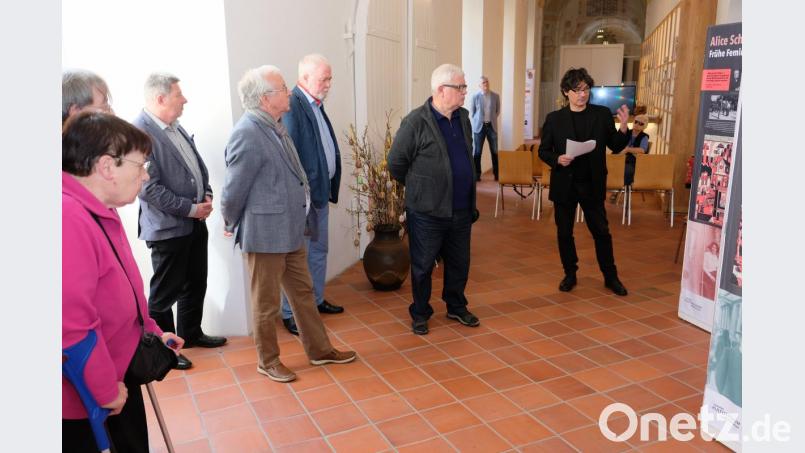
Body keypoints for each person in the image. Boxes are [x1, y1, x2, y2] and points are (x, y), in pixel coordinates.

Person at [221, 65, 356, 382]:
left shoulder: (274, 125)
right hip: (265, 234)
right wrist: (231, 222)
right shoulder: (248, 133)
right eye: (283, 87)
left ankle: (320, 350)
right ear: (266, 98)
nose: (289, 92)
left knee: (303, 293)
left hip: (291, 230)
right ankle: (267, 361)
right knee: (266, 304)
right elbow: (232, 191)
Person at [63, 112, 184, 452]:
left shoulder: (102, 208)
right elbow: (70, 326)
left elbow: (124, 286)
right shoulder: (67, 217)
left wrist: (151, 330)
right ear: (106, 167)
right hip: (90, 394)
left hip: (117, 372)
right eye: (140, 165)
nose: (145, 177)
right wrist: (105, 390)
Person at [134, 73, 226, 371]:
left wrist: (207, 193)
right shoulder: (140, 132)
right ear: (160, 99)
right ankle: (168, 352)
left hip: (194, 222)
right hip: (168, 229)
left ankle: (192, 334)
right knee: (164, 296)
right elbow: (149, 189)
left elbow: (195, 166)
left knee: (195, 281)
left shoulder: (173, 125)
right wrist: (190, 208)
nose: (184, 99)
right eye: (178, 94)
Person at [388, 63, 479, 335]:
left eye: (464, 86)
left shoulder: (462, 117)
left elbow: (466, 153)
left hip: (461, 208)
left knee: (459, 262)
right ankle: (420, 312)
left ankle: (456, 306)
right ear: (441, 90)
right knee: (423, 266)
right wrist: (420, 188)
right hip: (427, 211)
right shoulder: (415, 122)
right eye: (460, 87)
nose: (465, 92)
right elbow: (396, 164)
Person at [538, 67, 630, 296]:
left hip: (592, 183)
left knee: (601, 232)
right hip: (565, 183)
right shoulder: (554, 119)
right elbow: (543, 151)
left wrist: (624, 126)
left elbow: (616, 146)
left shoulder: (600, 114)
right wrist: (557, 158)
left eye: (586, 89)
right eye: (578, 90)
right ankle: (570, 273)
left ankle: (611, 277)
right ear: (566, 92)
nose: (583, 94)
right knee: (564, 233)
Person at [278, 54, 345, 336]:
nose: (328, 83)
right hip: (303, 200)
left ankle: (315, 301)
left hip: (319, 194)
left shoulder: (315, 104)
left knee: (318, 252)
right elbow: (291, 157)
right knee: (297, 259)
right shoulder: (293, 105)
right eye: (324, 78)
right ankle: (290, 312)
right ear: (304, 78)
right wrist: (301, 196)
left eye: (330, 78)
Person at [610, 113, 650, 198]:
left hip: (632, 161)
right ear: (633, 122)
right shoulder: (626, 132)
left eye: (641, 124)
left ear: (644, 127)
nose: (637, 124)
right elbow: (617, 144)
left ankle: (620, 190)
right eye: (636, 122)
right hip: (618, 158)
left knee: (627, 170)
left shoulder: (644, 137)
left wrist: (628, 149)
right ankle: (615, 187)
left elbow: (642, 150)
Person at [469, 76, 500, 181]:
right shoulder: (475, 97)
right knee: (477, 152)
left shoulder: (495, 96)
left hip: (492, 126)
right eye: (483, 83)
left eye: (486, 82)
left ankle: (497, 174)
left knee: (495, 151)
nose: (485, 84)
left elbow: (497, 111)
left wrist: (491, 119)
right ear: (479, 85)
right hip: (479, 127)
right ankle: (477, 175)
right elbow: (472, 112)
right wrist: (478, 121)